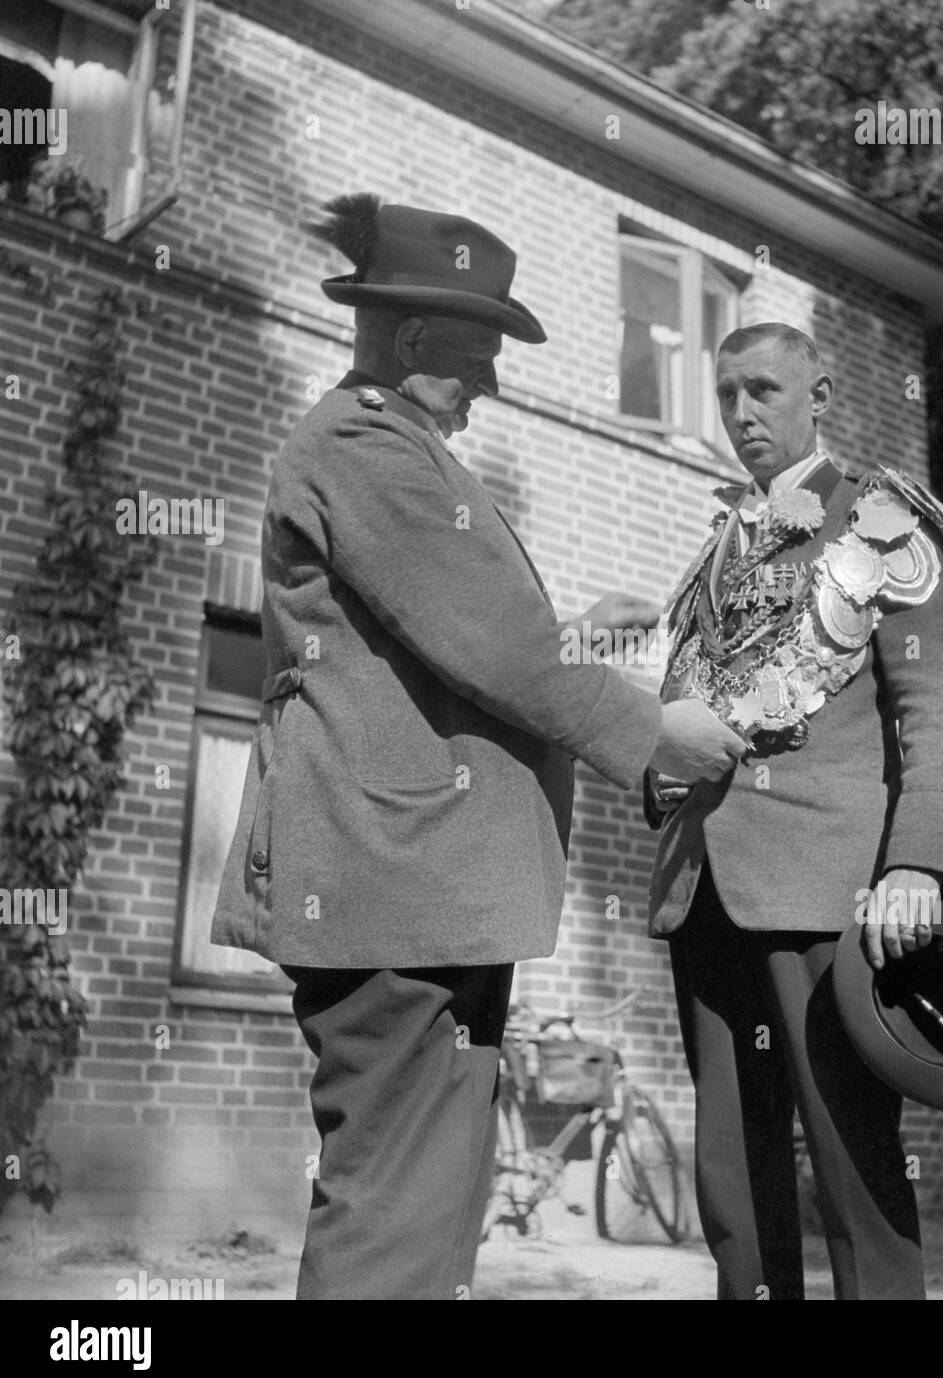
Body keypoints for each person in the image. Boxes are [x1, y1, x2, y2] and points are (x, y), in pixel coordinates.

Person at [211, 196, 745, 1300]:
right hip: (390, 888)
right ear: (412, 343)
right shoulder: (364, 444)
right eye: (478, 356)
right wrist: (658, 735)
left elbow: (466, 647)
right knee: (395, 1221)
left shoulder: (390, 446)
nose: (491, 384)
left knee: (430, 1217)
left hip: (423, 891)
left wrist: (584, 642)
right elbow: (498, 650)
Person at [646, 322, 943, 1300]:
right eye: (725, 394)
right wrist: (655, 773)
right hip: (702, 894)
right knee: (733, 1186)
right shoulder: (722, 546)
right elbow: (685, 698)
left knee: (851, 1172)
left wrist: (922, 862)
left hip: (822, 890)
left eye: (763, 389)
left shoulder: (879, 525)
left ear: (821, 396)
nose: (742, 412)